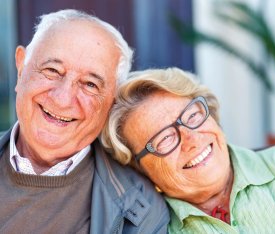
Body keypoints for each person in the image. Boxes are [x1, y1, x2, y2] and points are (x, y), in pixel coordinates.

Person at [0, 9, 169, 233]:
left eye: (90, 84)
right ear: (21, 69)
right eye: (52, 70)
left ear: (112, 101)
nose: (62, 99)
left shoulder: (141, 212)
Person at [102, 67, 275, 233]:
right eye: (165, 138)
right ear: (140, 169)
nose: (191, 139)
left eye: (192, 116)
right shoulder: (157, 227)